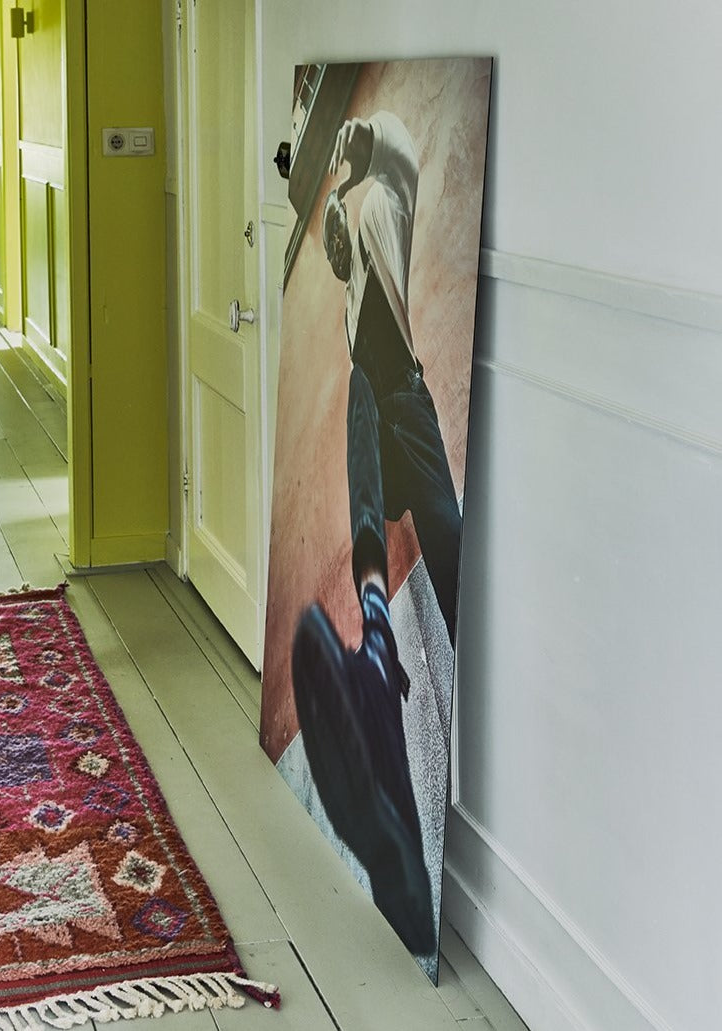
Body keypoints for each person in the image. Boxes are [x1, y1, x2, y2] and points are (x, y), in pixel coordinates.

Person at [291, 111, 462, 956]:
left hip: (402, 393)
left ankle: (425, 655)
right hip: (371, 392)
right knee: (369, 521)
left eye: (338, 234)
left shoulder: (384, 200)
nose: (336, 247)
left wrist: (350, 153)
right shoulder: (349, 285)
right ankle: (377, 649)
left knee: (445, 534)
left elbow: (393, 142)